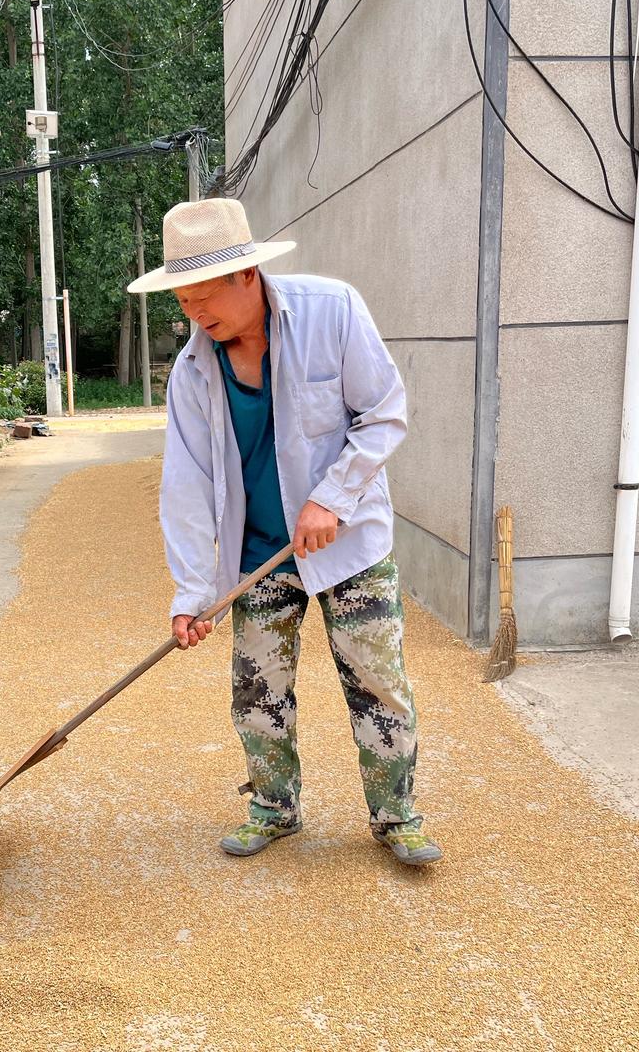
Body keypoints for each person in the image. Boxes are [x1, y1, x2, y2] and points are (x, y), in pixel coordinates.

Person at [127, 198, 441, 866]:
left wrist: (332, 497)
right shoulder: (191, 372)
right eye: (182, 302)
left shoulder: (333, 311)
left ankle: (397, 818)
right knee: (257, 690)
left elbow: (384, 412)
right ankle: (274, 810)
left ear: (248, 277)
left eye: (204, 297)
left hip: (349, 545)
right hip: (257, 557)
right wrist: (190, 591)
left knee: (377, 683)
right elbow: (185, 487)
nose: (195, 315)